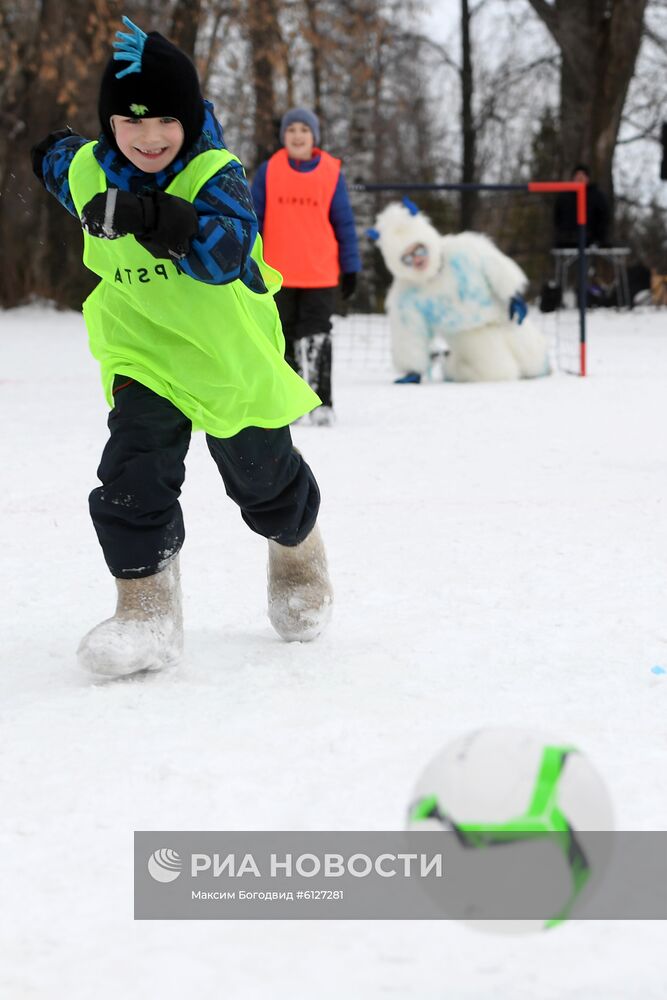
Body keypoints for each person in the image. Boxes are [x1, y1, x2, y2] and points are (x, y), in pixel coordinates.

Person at [30, 16, 333, 678]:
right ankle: (144, 609)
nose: (148, 137)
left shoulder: (214, 174)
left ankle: (296, 550)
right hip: (142, 351)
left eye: (165, 120)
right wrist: (49, 146)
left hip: (230, 355)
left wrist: (143, 215)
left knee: (261, 477)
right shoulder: (84, 169)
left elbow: (223, 253)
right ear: (110, 124)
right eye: (129, 121)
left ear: (189, 119)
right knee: (133, 472)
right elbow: (51, 157)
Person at [251, 108, 361, 426]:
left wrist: (350, 266)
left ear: (314, 136)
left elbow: (344, 222)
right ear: (283, 136)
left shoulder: (331, 172)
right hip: (277, 273)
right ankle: (291, 402)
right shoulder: (269, 171)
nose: (297, 135)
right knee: (280, 337)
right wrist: (248, 261)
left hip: (319, 272)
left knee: (317, 337)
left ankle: (322, 402)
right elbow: (254, 219)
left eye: (304, 129)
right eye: (291, 130)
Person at [553, 163, 609, 248]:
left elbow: (603, 218)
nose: (580, 178)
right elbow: (557, 217)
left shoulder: (597, 196)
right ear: (573, 178)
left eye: (583, 175)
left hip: (591, 240)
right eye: (577, 175)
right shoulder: (564, 196)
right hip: (568, 239)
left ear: (588, 178)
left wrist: (599, 238)